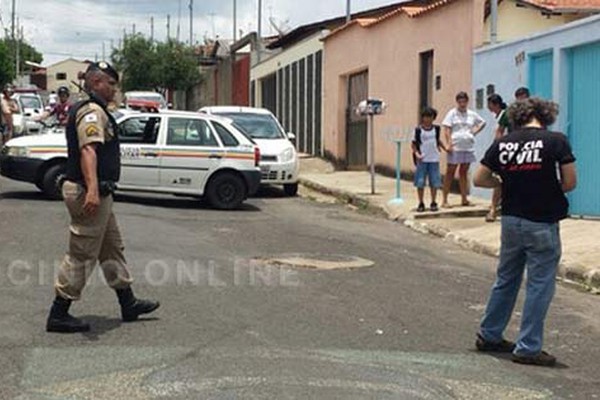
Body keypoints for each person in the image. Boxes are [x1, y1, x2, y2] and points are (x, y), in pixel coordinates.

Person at [46, 62, 160, 333]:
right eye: (110, 83)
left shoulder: (98, 110)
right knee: (82, 253)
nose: (113, 88)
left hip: (99, 193)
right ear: (96, 82)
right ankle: (58, 313)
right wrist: (93, 190)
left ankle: (128, 302)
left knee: (111, 247)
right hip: (89, 192)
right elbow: (89, 151)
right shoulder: (92, 111)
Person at [473, 97, 577, 367]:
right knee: (539, 284)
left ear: (517, 118)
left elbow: (479, 178)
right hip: (541, 221)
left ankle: (489, 334)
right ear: (544, 116)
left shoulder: (503, 144)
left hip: (511, 220)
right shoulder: (556, 141)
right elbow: (570, 182)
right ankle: (528, 347)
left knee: (506, 278)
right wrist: (546, 186)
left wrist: (505, 181)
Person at [441, 92, 486, 208]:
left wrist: (474, 132)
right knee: (450, 172)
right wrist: (449, 144)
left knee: (464, 172)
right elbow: (447, 129)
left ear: (467, 101)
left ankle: (464, 198)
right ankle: (444, 199)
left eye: (464, 101)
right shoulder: (452, 113)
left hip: (468, 146)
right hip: (456, 145)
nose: (462, 104)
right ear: (457, 102)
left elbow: (482, 122)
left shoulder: (471, 114)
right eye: (460, 102)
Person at [411, 107, 445, 212]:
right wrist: (417, 154)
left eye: (429, 117)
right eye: (425, 117)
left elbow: (438, 141)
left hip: (434, 159)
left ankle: (433, 202)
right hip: (422, 160)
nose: (427, 119)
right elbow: (413, 145)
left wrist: (446, 148)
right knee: (420, 182)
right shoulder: (418, 130)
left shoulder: (436, 129)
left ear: (433, 118)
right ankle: (421, 202)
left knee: (434, 182)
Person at [485, 94, 509, 222]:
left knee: (499, 181)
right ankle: (495, 207)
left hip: (504, 151)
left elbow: (500, 134)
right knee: (500, 180)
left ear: (495, 104)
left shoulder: (505, 115)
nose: (488, 107)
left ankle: (494, 209)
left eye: (489, 104)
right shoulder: (498, 116)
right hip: (499, 150)